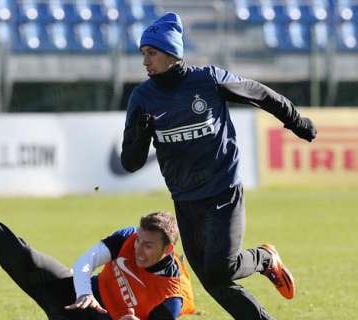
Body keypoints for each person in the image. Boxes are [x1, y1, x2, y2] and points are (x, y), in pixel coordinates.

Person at [120, 12, 317, 320]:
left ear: (171, 53)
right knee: (214, 281)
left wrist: (295, 120)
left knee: (221, 269)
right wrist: (139, 132)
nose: (145, 61)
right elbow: (130, 163)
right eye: (143, 53)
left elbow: (260, 94)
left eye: (152, 53)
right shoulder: (142, 97)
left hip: (222, 188)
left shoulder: (207, 80)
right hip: (185, 198)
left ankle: (264, 258)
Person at [0, 172, 196, 320]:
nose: (138, 249)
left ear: (167, 250)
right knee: (20, 253)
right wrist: (84, 292)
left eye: (148, 246)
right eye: (139, 241)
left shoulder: (170, 299)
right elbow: (85, 261)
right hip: (76, 293)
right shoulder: (128, 237)